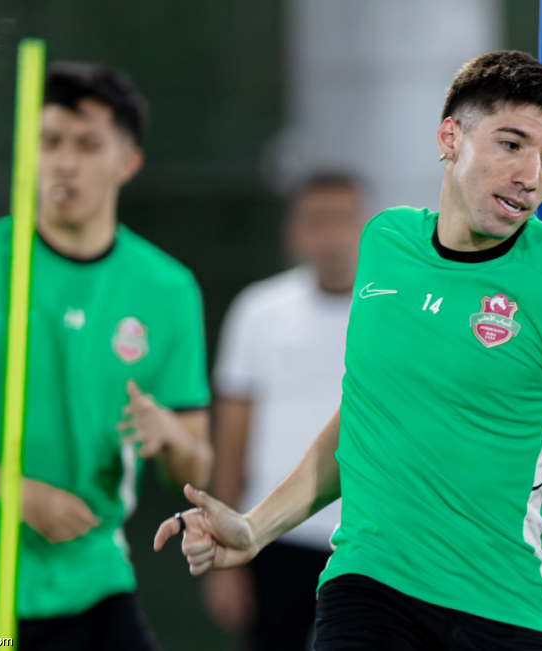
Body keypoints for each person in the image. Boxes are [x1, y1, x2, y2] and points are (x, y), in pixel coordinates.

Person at [156, 51, 542, 651]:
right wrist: (255, 527)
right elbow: (365, 420)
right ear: (450, 138)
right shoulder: (385, 243)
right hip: (369, 590)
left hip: (506, 611)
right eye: (511, 144)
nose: (531, 176)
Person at [0, 62, 212, 650]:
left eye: (87, 144)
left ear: (127, 162)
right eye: (49, 142)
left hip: (91, 579)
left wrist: (169, 437)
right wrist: (14, 490)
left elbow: (196, 468)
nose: (64, 162)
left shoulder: (167, 289)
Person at [203, 173, 364, 649]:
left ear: (365, 227)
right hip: (276, 535)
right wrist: (225, 555)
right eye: (317, 220)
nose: (331, 235)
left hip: (364, 540)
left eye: (342, 219)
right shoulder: (259, 310)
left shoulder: (395, 314)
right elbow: (232, 435)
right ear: (294, 232)